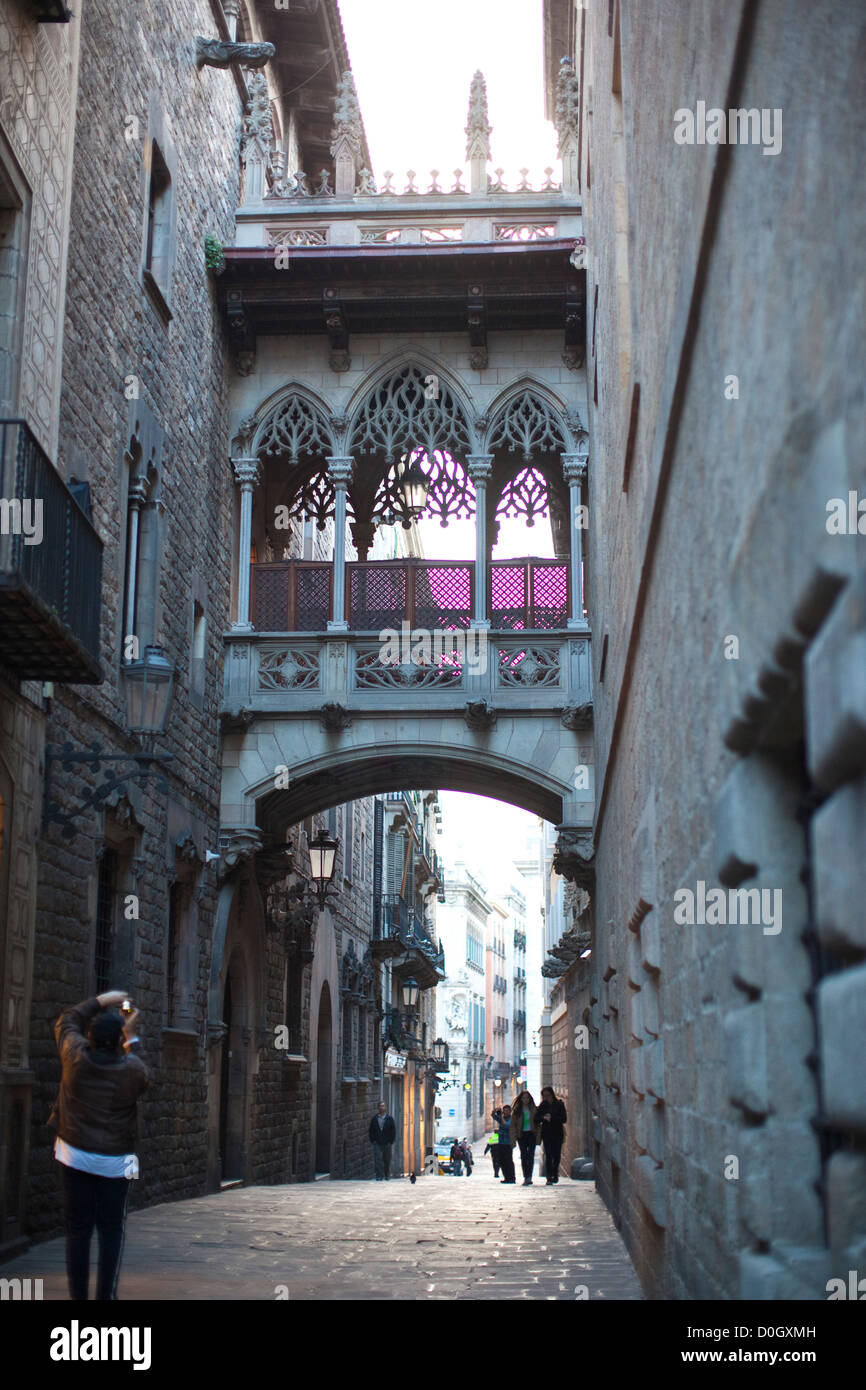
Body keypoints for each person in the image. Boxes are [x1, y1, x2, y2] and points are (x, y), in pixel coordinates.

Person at [49, 990, 149, 1300]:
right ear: (118, 1039)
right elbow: (146, 1077)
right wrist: (130, 1036)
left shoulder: (74, 1057)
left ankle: (78, 1297)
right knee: (110, 1231)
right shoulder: (131, 1069)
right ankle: (106, 1296)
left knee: (77, 1230)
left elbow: (67, 1019)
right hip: (115, 1162)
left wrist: (103, 999)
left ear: (89, 1037)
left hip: (73, 1155)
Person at [537, 1086, 567, 1184]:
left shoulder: (559, 1104)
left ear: (552, 1094)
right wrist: (543, 1118)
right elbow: (536, 1118)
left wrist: (552, 1118)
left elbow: (564, 1119)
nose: (546, 1098)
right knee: (548, 1155)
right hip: (547, 1134)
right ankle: (549, 1176)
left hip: (557, 1133)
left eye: (548, 1095)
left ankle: (555, 1173)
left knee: (556, 1155)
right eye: (544, 1096)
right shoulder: (543, 1105)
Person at [510, 1090, 540, 1185]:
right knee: (524, 1155)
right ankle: (525, 1176)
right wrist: (513, 1139)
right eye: (523, 1098)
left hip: (531, 1134)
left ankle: (529, 1177)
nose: (525, 1100)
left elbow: (538, 1123)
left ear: (530, 1099)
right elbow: (513, 1125)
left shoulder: (534, 1109)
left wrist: (538, 1136)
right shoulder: (517, 1110)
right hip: (521, 1135)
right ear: (521, 1099)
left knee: (530, 1155)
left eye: (527, 1098)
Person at [369, 1100, 396, 1180]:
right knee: (377, 1159)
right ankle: (379, 1175)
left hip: (387, 1143)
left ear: (385, 1107)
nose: (382, 1107)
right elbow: (371, 1130)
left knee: (387, 1160)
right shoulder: (374, 1119)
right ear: (378, 1107)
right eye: (380, 1106)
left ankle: (387, 1175)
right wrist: (373, 1140)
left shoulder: (389, 1119)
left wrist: (391, 1141)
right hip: (377, 1143)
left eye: (383, 1106)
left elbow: (393, 1131)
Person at [494, 1103, 516, 1184]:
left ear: (510, 1111)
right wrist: (495, 1111)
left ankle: (512, 1177)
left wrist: (501, 1117)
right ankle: (506, 1177)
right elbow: (493, 1116)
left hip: (508, 1142)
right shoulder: (501, 1118)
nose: (505, 1112)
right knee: (502, 1161)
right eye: (504, 1111)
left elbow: (507, 1125)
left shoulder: (511, 1119)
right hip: (501, 1142)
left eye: (507, 1111)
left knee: (508, 1160)